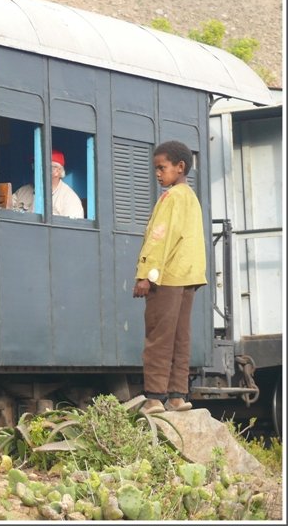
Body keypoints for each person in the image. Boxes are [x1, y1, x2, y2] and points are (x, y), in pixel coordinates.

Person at [133, 140, 207, 414]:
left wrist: (146, 276)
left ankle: (154, 398)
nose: (157, 173)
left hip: (166, 279)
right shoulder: (191, 198)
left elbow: (159, 239)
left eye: (162, 168)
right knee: (180, 338)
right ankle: (177, 396)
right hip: (188, 279)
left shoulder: (170, 198)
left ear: (180, 167)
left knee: (158, 337)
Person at [11, 150, 84, 218]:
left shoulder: (70, 199)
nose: (36, 170)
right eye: (35, 165)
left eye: (41, 166)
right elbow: (7, 211)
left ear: (57, 171)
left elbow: (72, 227)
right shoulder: (22, 191)